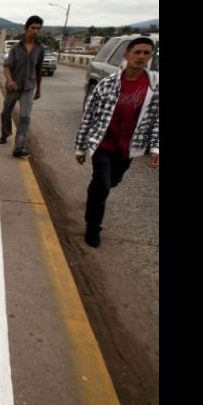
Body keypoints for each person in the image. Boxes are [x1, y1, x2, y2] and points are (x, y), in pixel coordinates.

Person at [74, 37, 159, 248]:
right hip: (103, 142)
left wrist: (156, 147)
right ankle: (93, 227)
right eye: (137, 52)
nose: (141, 57)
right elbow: (89, 115)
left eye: (146, 53)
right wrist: (81, 146)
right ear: (126, 55)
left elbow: (157, 119)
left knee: (111, 181)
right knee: (102, 184)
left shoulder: (153, 88)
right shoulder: (107, 84)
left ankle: (94, 195)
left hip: (128, 146)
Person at [0, 16, 45, 157]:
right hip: (13, 87)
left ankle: (19, 147)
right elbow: (7, 67)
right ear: (26, 28)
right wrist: (10, 81)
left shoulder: (40, 49)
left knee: (25, 116)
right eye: (33, 28)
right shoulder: (15, 48)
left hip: (29, 88)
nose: (35, 31)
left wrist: (38, 89)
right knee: (6, 112)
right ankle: (5, 133)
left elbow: (38, 69)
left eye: (38, 28)